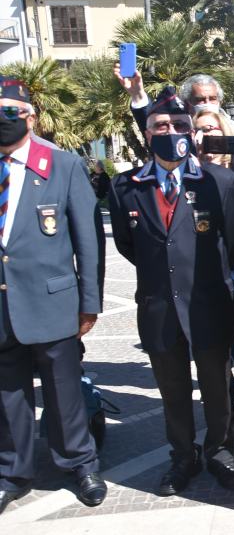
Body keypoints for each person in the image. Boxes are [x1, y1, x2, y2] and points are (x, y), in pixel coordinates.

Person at [108, 87, 234, 496]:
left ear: (193, 132)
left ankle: (220, 450)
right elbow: (128, 246)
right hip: (159, 305)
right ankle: (182, 455)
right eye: (162, 125)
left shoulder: (219, 182)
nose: (172, 131)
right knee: (173, 392)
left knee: (217, 387)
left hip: (209, 306)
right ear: (147, 134)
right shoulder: (125, 187)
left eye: (180, 124)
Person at [0, 76, 107, 514]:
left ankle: (80, 464)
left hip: (53, 302)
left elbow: (89, 242)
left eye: (10, 111)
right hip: (3, 306)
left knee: (64, 394)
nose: (3, 120)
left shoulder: (61, 165)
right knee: (8, 396)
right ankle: (13, 471)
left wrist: (90, 302)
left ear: (31, 116)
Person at [192, 110, 234, 430]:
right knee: (215, 351)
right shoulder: (187, 173)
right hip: (203, 277)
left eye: (212, 128)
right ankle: (225, 404)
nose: (208, 136)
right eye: (200, 129)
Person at [114, 66, 234, 155]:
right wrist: (138, 95)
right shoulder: (180, 130)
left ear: (220, 100)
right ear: (186, 103)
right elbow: (154, 126)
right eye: (200, 100)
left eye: (212, 98)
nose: (207, 104)